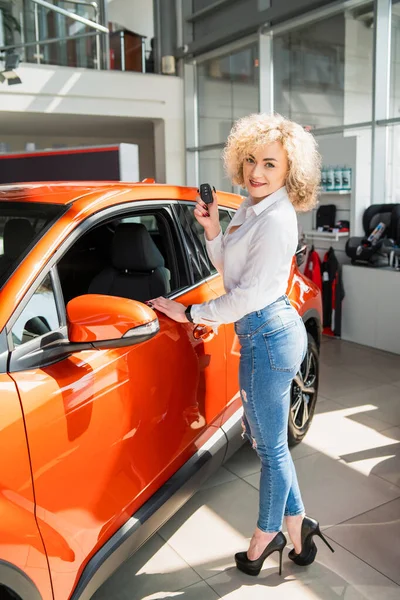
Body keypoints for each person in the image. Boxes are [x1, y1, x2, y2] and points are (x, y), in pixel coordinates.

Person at [148, 112, 334, 576]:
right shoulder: (253, 209)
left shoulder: (277, 219)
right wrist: (213, 228)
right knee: (265, 440)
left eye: (270, 164)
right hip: (261, 335)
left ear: (290, 171)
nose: (256, 172)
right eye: (251, 160)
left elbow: (248, 294)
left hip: (269, 336)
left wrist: (190, 313)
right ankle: (298, 526)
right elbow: (229, 270)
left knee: (269, 450)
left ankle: (263, 537)